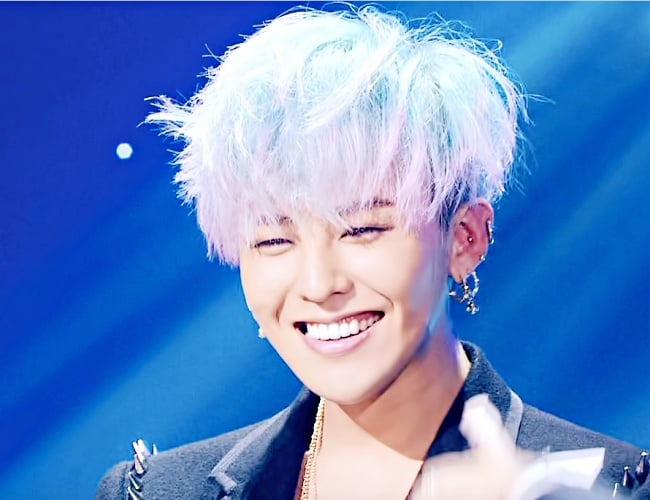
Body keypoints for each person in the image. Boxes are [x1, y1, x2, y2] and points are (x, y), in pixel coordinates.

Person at [95, 5, 649, 499]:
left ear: (464, 238)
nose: (318, 284)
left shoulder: (613, 486)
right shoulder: (155, 493)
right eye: (274, 240)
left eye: (360, 229)